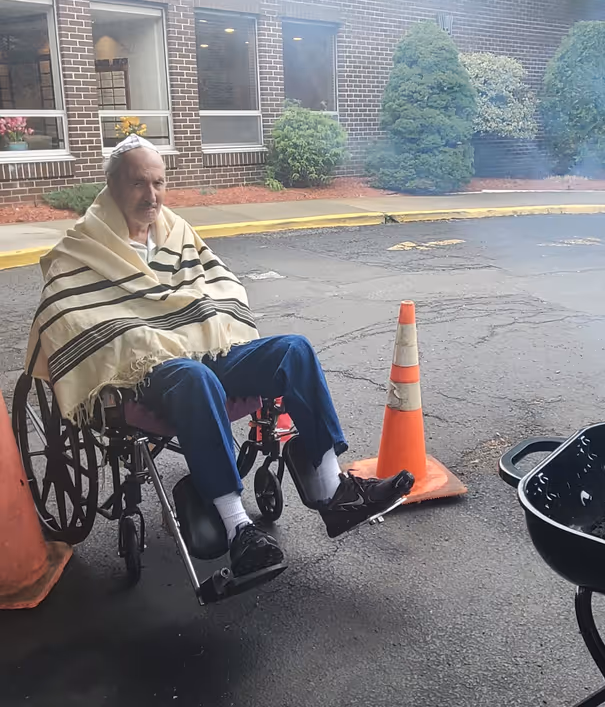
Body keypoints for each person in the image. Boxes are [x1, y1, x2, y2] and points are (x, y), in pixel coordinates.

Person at [24, 134, 414, 578]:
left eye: (158, 182)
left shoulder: (176, 230)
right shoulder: (84, 245)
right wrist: (143, 335)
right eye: (138, 184)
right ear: (111, 186)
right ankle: (237, 529)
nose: (151, 195)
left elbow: (219, 281)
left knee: (294, 350)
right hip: (142, 370)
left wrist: (200, 319)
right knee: (195, 378)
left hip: (203, 350)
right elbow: (68, 312)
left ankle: (332, 491)